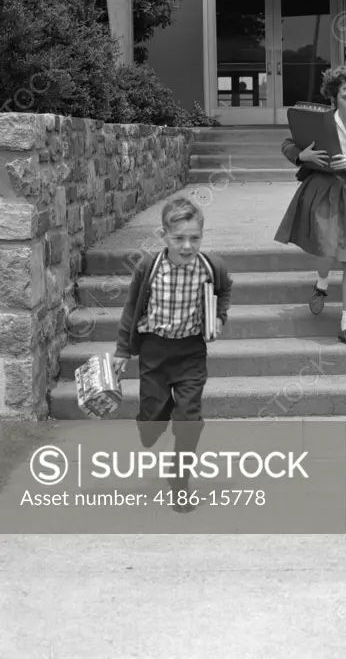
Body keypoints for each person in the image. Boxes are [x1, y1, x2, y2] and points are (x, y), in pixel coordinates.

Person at [112, 196, 232, 512]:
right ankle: (153, 419)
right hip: (154, 353)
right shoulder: (148, 268)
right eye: (179, 238)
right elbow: (130, 309)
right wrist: (122, 350)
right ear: (164, 235)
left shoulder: (211, 267)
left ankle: (179, 481)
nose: (187, 246)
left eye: (195, 238)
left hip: (191, 353)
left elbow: (224, 292)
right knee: (151, 425)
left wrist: (218, 317)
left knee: (190, 419)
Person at [275, 62, 346, 348]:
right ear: (334, 97)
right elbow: (288, 144)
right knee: (325, 248)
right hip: (320, 190)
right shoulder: (319, 120)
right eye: (345, 96)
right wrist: (303, 156)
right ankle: (322, 281)